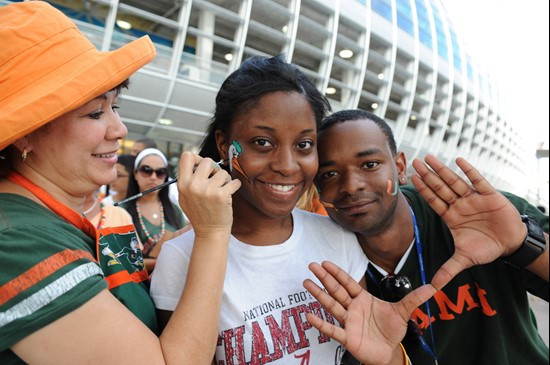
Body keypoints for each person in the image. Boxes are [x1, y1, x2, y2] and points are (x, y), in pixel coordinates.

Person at [0, 2, 240, 364]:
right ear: (25, 134)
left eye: (116, 106)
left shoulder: (45, 220)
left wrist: (138, 271)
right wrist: (212, 234)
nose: (119, 130)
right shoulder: (16, 242)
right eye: (95, 112)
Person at [149, 55, 374, 364]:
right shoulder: (181, 256)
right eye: (262, 142)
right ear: (225, 145)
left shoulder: (338, 237)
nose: (287, 166)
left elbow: (360, 349)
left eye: (304, 145)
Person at [304, 109, 549, 364]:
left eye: (370, 164)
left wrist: (523, 243)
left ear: (399, 167)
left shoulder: (479, 214)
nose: (352, 185)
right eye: (329, 174)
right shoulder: (321, 262)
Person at [123, 148, 188, 271]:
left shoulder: (175, 211)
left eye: (160, 172)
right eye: (146, 170)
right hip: (136, 284)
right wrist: (156, 263)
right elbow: (119, 258)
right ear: (135, 174)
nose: (153, 177)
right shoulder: (122, 211)